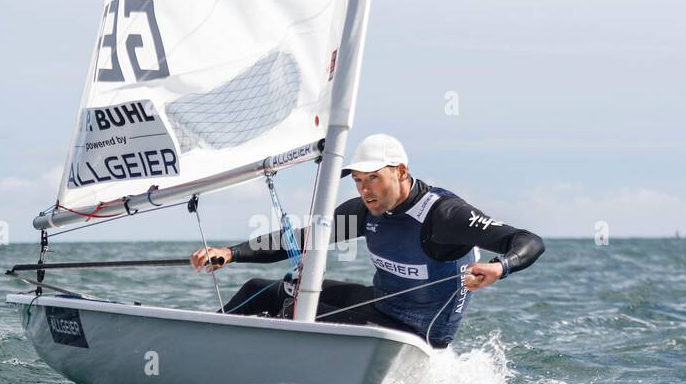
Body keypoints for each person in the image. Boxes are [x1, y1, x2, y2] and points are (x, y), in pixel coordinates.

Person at [190, 134, 544, 348]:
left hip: (419, 335)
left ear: (401, 171)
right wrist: (231, 253)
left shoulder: (444, 216)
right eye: (358, 180)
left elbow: (527, 240)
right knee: (271, 289)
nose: (365, 190)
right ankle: (200, 345)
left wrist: (501, 266)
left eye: (374, 178)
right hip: (382, 309)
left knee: (295, 310)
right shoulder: (365, 210)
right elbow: (300, 240)